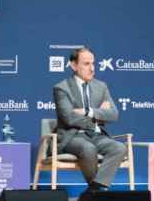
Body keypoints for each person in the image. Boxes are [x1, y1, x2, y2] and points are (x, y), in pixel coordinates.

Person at [52, 47, 128, 191]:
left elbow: (113, 114)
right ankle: (96, 193)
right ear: (74, 66)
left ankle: (94, 190)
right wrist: (98, 117)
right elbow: (69, 118)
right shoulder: (62, 88)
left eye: (93, 64)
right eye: (86, 64)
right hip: (72, 136)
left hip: (97, 136)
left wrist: (88, 111)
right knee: (88, 148)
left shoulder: (101, 87)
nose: (92, 68)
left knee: (119, 147)